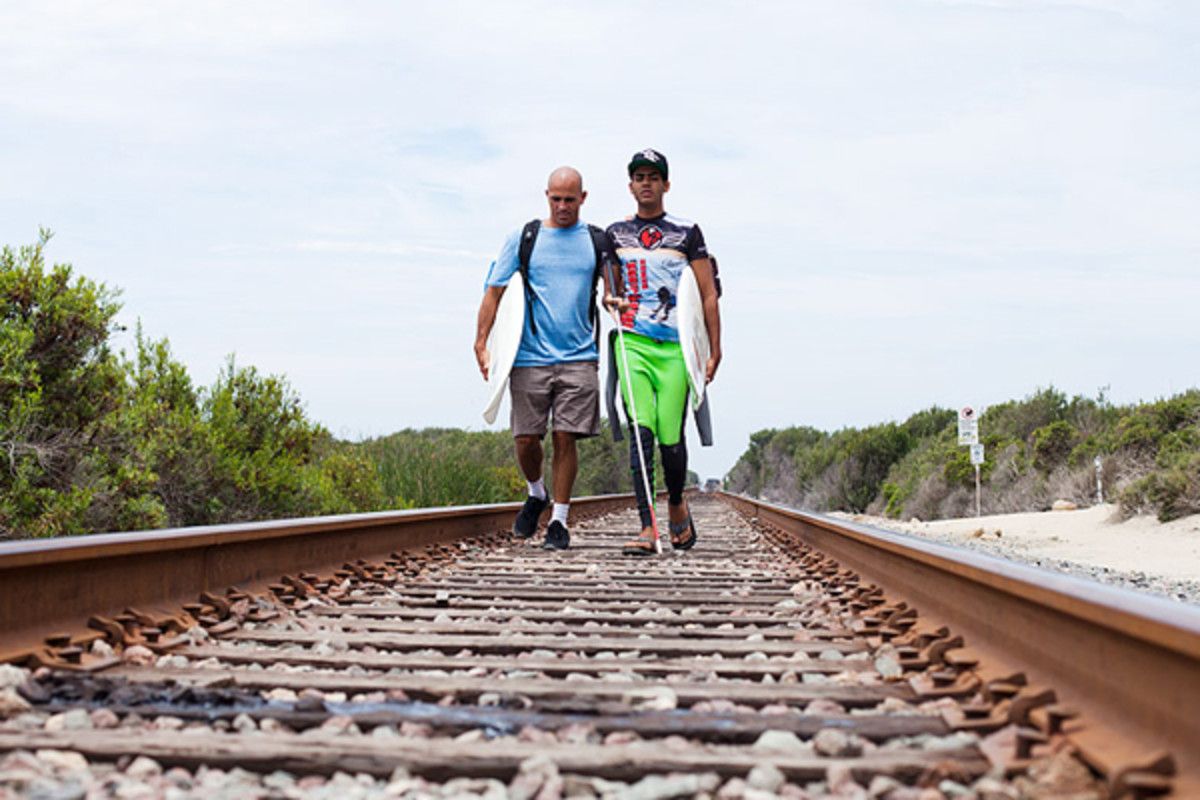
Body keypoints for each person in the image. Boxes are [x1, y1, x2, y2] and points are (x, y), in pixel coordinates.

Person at [474, 166, 617, 551]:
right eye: (556, 198)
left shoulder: (597, 240)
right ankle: (536, 492)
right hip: (529, 357)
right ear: (546, 196)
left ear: (583, 199)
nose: (563, 206)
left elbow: (611, 287)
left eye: (570, 199)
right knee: (525, 439)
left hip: (580, 356)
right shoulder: (525, 238)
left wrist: (610, 299)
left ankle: (559, 521)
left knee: (564, 436)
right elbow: (494, 291)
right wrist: (481, 342)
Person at [605, 149, 722, 555]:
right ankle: (647, 525)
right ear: (631, 185)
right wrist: (611, 301)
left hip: (675, 346)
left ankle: (675, 503)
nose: (646, 183)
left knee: (671, 437)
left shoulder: (687, 233)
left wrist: (713, 349)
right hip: (632, 340)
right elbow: (610, 289)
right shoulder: (615, 233)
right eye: (639, 176)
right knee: (642, 431)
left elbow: (706, 295)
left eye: (654, 177)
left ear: (666, 185)